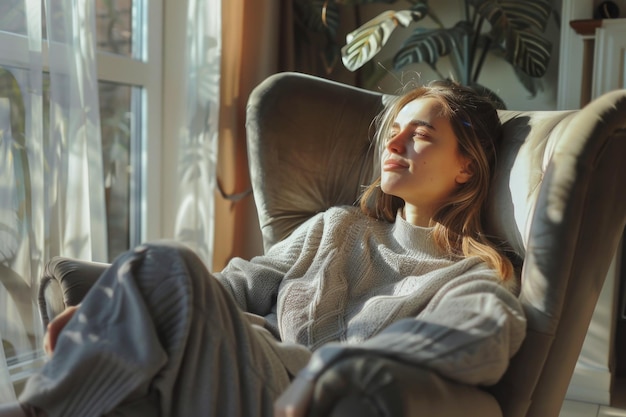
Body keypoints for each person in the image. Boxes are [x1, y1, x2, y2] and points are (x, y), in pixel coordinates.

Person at [0, 80, 526, 417]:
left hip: (292, 400)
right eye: (392, 131)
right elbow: (234, 287)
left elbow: (481, 341)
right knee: (142, 334)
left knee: (168, 263)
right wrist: (116, 307)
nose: (392, 144)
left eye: (420, 135)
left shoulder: (473, 274)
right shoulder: (338, 226)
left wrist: (329, 371)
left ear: (467, 166)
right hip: (236, 368)